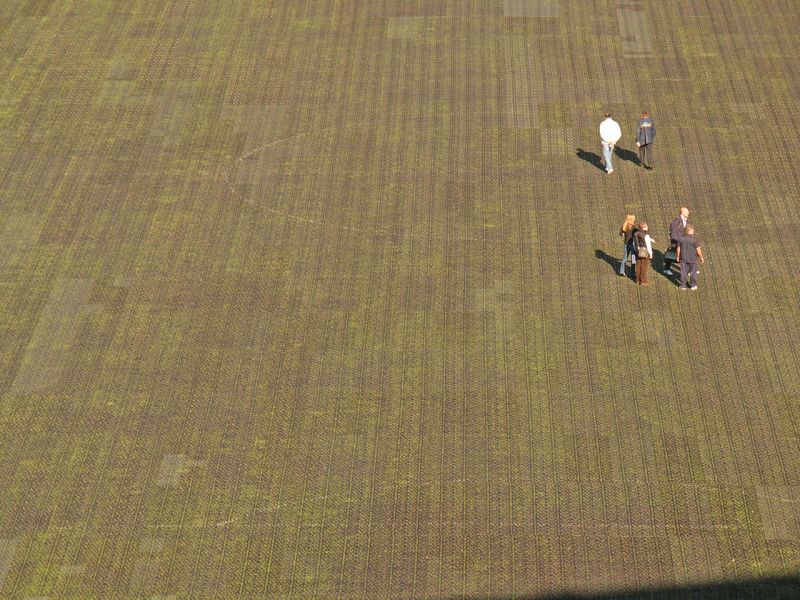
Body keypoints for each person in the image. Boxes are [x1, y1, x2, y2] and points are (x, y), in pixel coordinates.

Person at [664, 206, 691, 275]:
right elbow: (673, 233)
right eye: (687, 212)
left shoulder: (687, 221)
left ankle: (688, 270)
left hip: (684, 242)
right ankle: (666, 269)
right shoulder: (676, 221)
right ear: (682, 212)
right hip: (676, 242)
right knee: (671, 255)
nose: (688, 213)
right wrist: (679, 241)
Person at [676, 225, 704, 290]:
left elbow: (678, 249)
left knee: (683, 272)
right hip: (693, 259)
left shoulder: (680, 239)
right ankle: (693, 285)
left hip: (683, 258)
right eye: (692, 230)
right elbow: (698, 250)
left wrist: (677, 257)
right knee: (693, 272)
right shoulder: (695, 240)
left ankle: (683, 285)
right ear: (689, 231)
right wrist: (701, 257)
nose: (693, 231)